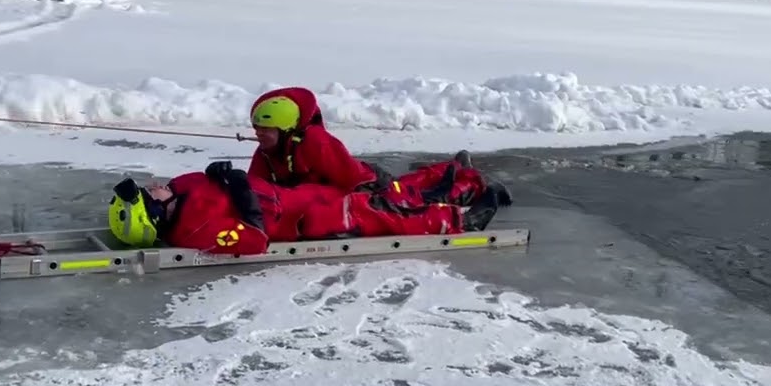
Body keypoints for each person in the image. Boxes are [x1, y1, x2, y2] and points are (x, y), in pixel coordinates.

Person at [106, 160, 505, 255]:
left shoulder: (180, 189)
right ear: (155, 215)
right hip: (305, 220)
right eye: (148, 195)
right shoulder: (198, 231)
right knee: (387, 210)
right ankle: (463, 217)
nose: (154, 186)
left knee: (391, 189)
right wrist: (239, 184)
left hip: (296, 195)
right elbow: (255, 239)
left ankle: (458, 177)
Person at [246, 86, 510, 210]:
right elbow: (254, 185)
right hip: (364, 180)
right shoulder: (267, 152)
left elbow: (347, 182)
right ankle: (453, 167)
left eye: (265, 130)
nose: (258, 134)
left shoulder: (316, 143)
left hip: (367, 186)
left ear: (286, 130)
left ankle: (473, 185)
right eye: (257, 128)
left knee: (418, 197)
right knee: (411, 183)